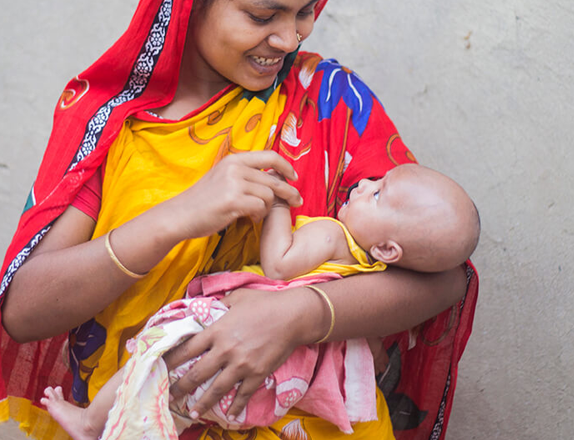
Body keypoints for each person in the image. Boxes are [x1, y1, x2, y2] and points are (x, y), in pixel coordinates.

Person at [0, 0, 479, 440]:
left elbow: (443, 278)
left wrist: (296, 316)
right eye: (263, 16)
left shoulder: (328, 101)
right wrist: (180, 215)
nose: (289, 38)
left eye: (306, 12)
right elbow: (24, 312)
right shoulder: (116, 123)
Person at [37, 164, 481, 440]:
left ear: (388, 248)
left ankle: (93, 422)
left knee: (155, 355)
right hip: (282, 380)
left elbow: (280, 266)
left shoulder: (331, 234)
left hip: (239, 329)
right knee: (184, 402)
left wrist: (276, 203)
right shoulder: (373, 272)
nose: (363, 182)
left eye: (378, 193)